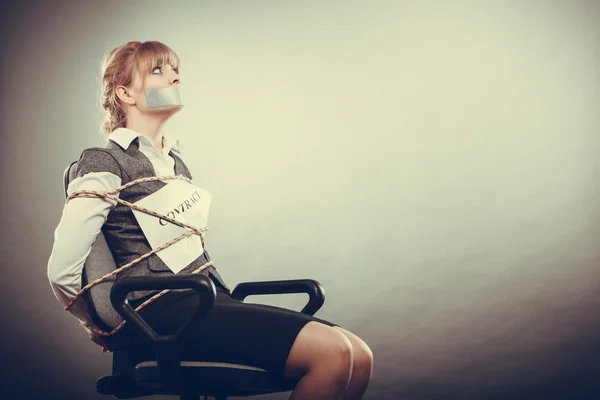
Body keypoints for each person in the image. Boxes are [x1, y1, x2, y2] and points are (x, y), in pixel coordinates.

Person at [47, 40, 373, 400]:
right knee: (334, 353)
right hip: (163, 311)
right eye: (158, 70)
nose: (174, 76)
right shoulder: (103, 161)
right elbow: (62, 269)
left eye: (174, 69)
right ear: (126, 93)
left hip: (211, 297)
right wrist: (102, 325)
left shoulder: (175, 163)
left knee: (359, 355)